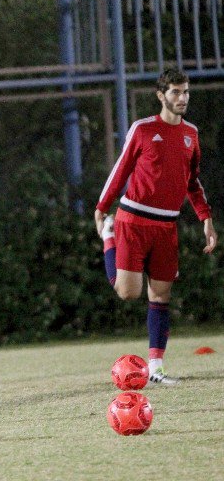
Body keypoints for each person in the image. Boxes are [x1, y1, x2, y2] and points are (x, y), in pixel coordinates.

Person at [94, 68, 217, 385]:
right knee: (128, 292)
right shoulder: (143, 129)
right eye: (176, 92)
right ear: (161, 95)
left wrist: (205, 218)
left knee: (161, 295)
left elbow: (193, 182)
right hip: (133, 219)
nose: (182, 98)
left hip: (166, 226)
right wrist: (101, 208)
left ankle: (156, 369)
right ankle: (109, 237)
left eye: (186, 91)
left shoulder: (191, 133)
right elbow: (120, 170)